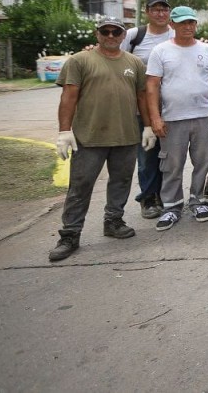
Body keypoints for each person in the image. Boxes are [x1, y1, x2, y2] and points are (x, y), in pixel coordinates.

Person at [48, 17, 152, 262]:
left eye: (116, 31)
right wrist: (64, 131)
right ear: (97, 34)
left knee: (121, 182)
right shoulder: (79, 61)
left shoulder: (134, 63)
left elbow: (142, 97)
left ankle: (113, 221)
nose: (110, 35)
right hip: (89, 137)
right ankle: (70, 234)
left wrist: (147, 126)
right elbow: (69, 97)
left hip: (125, 136)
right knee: (80, 187)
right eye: (105, 31)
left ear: (123, 35)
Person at [146, 6, 208, 231]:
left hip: (204, 115)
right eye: (182, 23)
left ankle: (199, 201)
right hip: (172, 118)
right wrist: (155, 117)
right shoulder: (161, 51)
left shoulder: (207, 49)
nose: (188, 27)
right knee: (172, 164)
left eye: (191, 23)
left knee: (204, 161)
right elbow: (152, 86)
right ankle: (171, 206)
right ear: (172, 25)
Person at [124, 0, 174, 220]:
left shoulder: (176, 35)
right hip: (141, 108)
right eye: (156, 9)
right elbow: (116, 58)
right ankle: (148, 197)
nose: (160, 13)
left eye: (164, 9)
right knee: (146, 154)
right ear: (147, 12)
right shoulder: (135, 36)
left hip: (172, 107)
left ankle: (166, 194)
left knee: (170, 155)